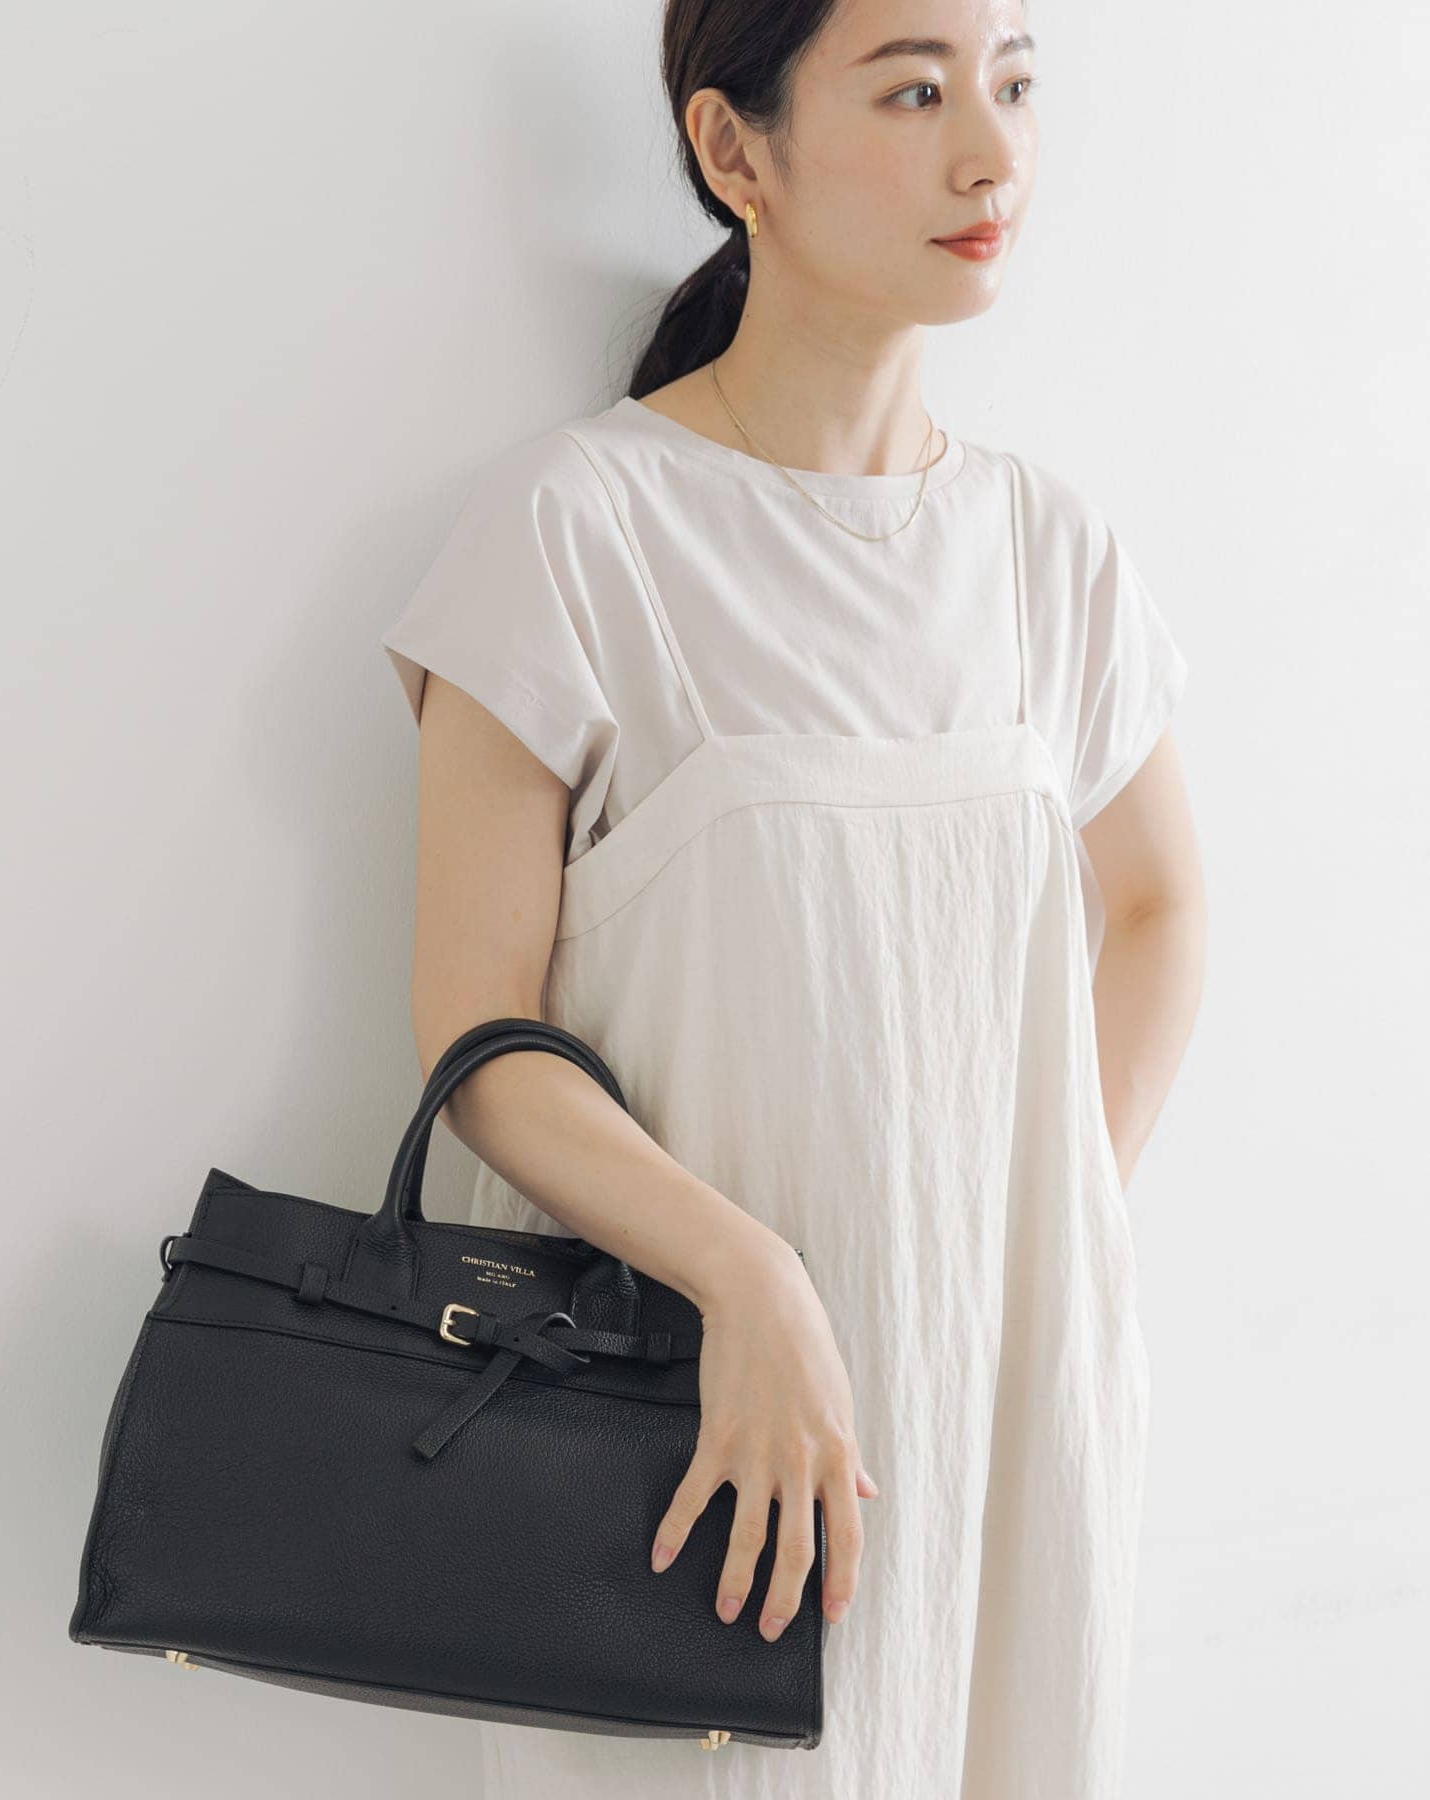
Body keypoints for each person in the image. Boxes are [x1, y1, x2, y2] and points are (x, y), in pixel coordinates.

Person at [379, 0, 1207, 1794]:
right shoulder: (578, 530)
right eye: (914, 92)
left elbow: (1158, 911)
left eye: (1014, 85)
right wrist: (749, 1275)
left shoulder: (1046, 551)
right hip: (691, 1426)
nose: (991, 154)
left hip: (1004, 1417)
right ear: (731, 148)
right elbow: (476, 1033)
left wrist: (1047, 1230)